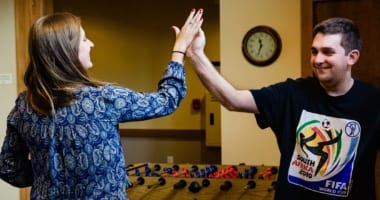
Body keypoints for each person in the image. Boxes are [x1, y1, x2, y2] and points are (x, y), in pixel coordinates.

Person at [0, 9, 203, 200]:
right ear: (67, 51)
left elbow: (9, 169)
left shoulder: (23, 106)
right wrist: (179, 50)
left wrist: (47, 173)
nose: (91, 44)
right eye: (85, 39)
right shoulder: (103, 99)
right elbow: (167, 100)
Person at [187, 17, 380, 199]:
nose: (317, 60)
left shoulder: (373, 102)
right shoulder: (292, 93)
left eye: (327, 52)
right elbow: (233, 100)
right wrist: (196, 55)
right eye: (314, 51)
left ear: (352, 57)